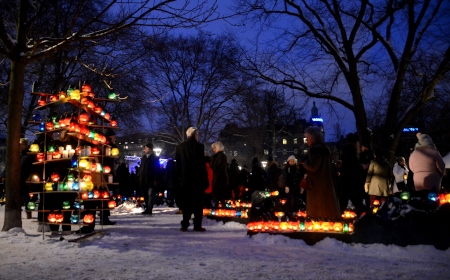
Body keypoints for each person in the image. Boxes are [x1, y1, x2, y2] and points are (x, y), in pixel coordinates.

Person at [302, 126, 340, 220]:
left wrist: (305, 163)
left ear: (313, 137)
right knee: (328, 202)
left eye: (307, 138)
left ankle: (319, 220)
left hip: (317, 183)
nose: (306, 141)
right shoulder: (324, 149)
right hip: (326, 182)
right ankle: (329, 218)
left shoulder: (315, 150)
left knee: (318, 206)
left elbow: (313, 167)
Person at [176, 127, 209, 232]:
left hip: (185, 180)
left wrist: (180, 177)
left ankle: (185, 224)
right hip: (197, 179)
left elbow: (178, 165)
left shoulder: (180, 147)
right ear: (195, 135)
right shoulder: (199, 147)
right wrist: (205, 178)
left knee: (186, 203)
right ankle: (197, 225)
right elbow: (201, 165)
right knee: (198, 203)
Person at [409, 133, 445, 197]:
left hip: (418, 180)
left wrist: (417, 172)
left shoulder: (414, 154)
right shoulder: (434, 152)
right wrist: (441, 174)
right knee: (434, 198)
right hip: (433, 178)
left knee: (421, 197)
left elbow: (411, 167)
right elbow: (441, 166)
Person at [339, 133, 366, 216]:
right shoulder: (351, 151)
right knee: (357, 202)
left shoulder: (345, 151)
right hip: (351, 181)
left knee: (343, 202)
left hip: (346, 181)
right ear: (355, 143)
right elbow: (352, 166)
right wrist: (362, 167)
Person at [139, 142, 160, 215]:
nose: (144, 149)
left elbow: (157, 169)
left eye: (146, 148)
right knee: (145, 194)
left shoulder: (154, 158)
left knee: (150, 194)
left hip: (151, 179)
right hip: (144, 179)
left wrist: (156, 179)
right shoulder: (144, 157)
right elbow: (142, 168)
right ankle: (147, 208)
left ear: (150, 149)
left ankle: (149, 209)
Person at [210, 141, 229, 205]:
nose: (213, 150)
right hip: (219, 180)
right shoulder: (219, 156)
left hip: (220, 181)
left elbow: (216, 167)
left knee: (219, 198)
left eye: (214, 148)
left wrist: (212, 160)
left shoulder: (221, 156)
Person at [20, 138, 34, 219]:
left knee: (26, 196)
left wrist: (29, 177)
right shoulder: (18, 154)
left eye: (22, 144)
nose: (20, 146)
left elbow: (30, 167)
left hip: (25, 178)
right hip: (19, 178)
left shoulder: (28, 155)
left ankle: (28, 211)